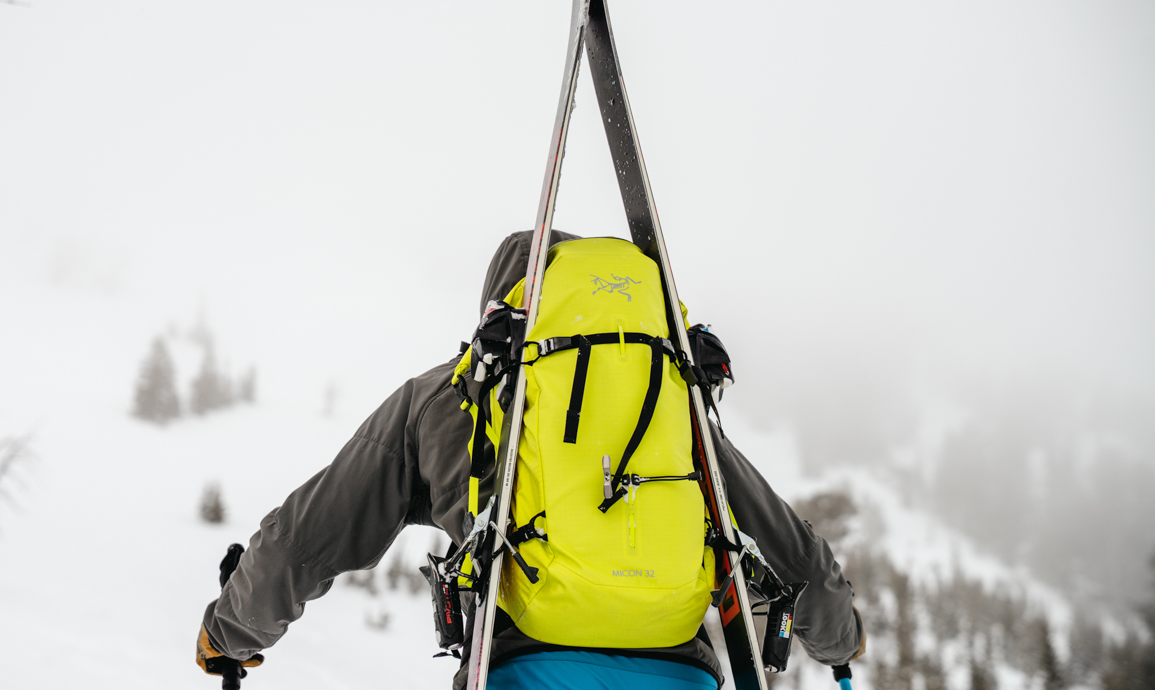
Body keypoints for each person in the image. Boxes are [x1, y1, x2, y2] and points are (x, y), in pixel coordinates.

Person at [196, 231, 866, 689]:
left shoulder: (449, 394)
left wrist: (230, 632)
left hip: (523, 667)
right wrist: (842, 644)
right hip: (677, 671)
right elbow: (796, 557)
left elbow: (304, 541)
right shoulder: (667, 408)